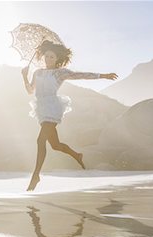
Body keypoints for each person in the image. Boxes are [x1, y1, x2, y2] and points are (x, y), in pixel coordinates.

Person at [21, 40, 118, 191]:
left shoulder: (60, 73)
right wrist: (24, 76)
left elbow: (81, 75)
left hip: (52, 107)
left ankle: (36, 175)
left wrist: (102, 75)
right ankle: (77, 155)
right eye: (46, 56)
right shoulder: (37, 72)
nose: (48, 59)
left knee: (40, 140)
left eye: (51, 57)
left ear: (57, 58)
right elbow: (30, 91)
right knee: (55, 145)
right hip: (41, 108)